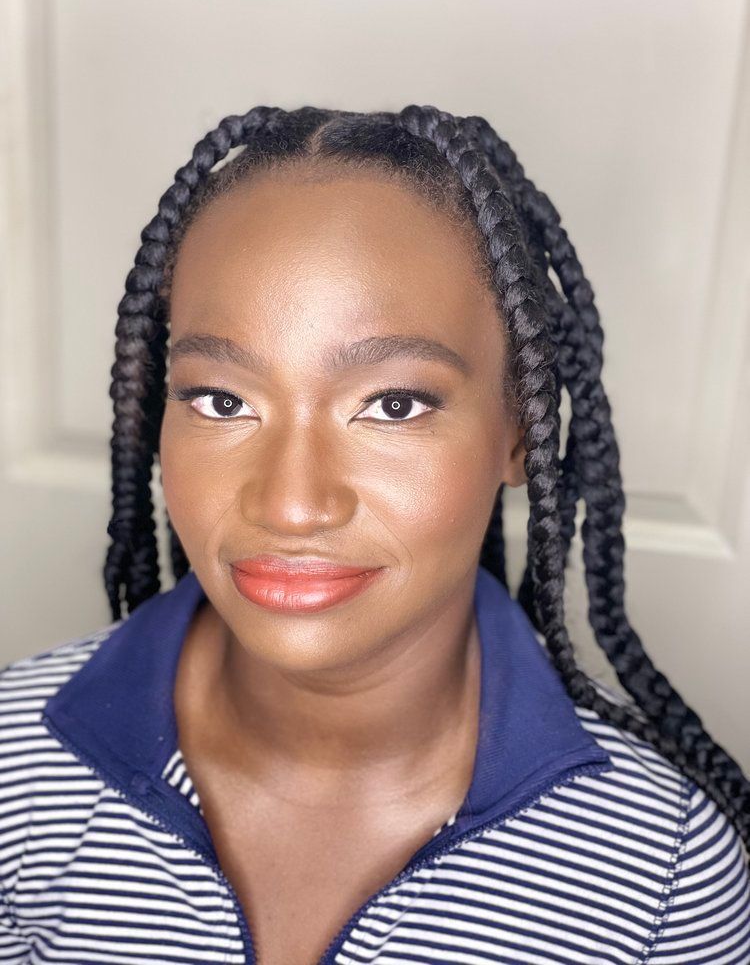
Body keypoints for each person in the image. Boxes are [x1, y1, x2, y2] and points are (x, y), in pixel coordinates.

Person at [0, 105, 748, 965]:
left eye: (394, 405)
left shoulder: (659, 863)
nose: (291, 504)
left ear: (520, 433)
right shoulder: (16, 761)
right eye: (221, 400)